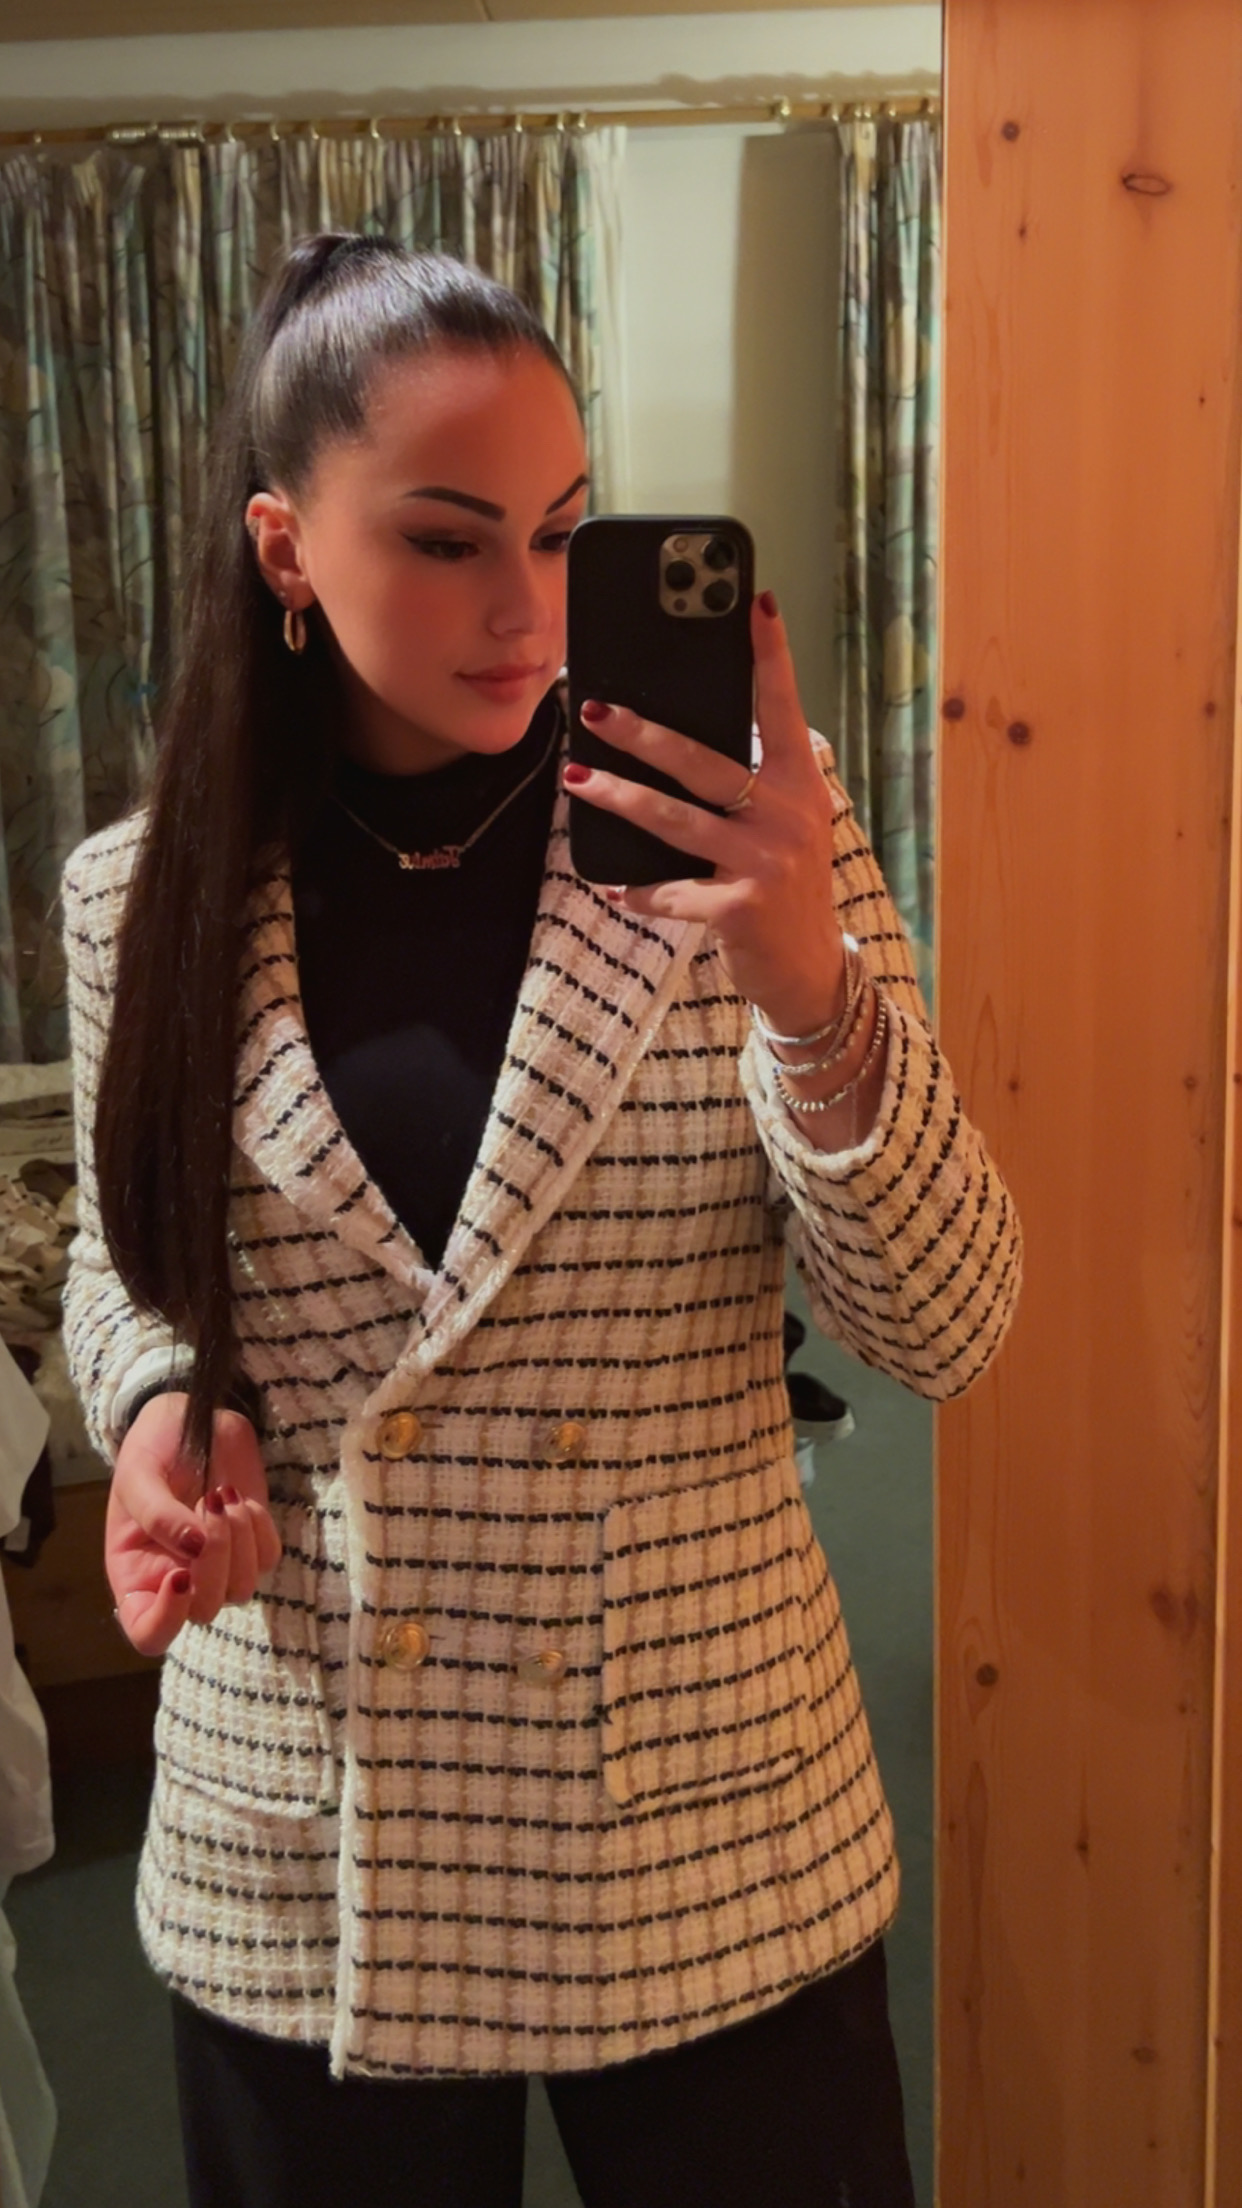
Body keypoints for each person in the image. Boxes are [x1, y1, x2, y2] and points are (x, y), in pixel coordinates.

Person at [61, 233, 1021, 2208]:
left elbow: (947, 1324)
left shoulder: (752, 830)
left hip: (699, 1823)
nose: (528, 610)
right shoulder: (142, 894)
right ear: (284, 548)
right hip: (310, 1828)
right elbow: (121, 1256)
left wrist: (807, 988)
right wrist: (156, 1406)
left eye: (567, 532)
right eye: (445, 539)